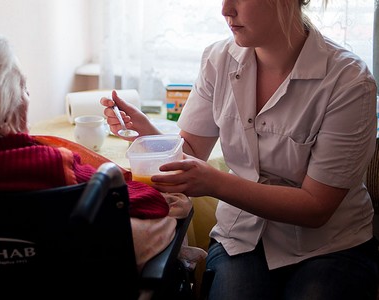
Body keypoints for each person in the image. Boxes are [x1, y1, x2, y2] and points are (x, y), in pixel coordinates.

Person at [101, 0, 379, 299]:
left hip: (330, 247)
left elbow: (316, 208)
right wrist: (147, 135)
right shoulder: (218, 59)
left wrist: (215, 182)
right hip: (242, 239)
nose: (225, 10)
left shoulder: (349, 81)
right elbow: (192, 152)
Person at [0, 28, 197, 276]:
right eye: (23, 88)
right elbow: (148, 203)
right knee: (172, 209)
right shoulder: (52, 165)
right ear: (4, 104)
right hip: (57, 272)